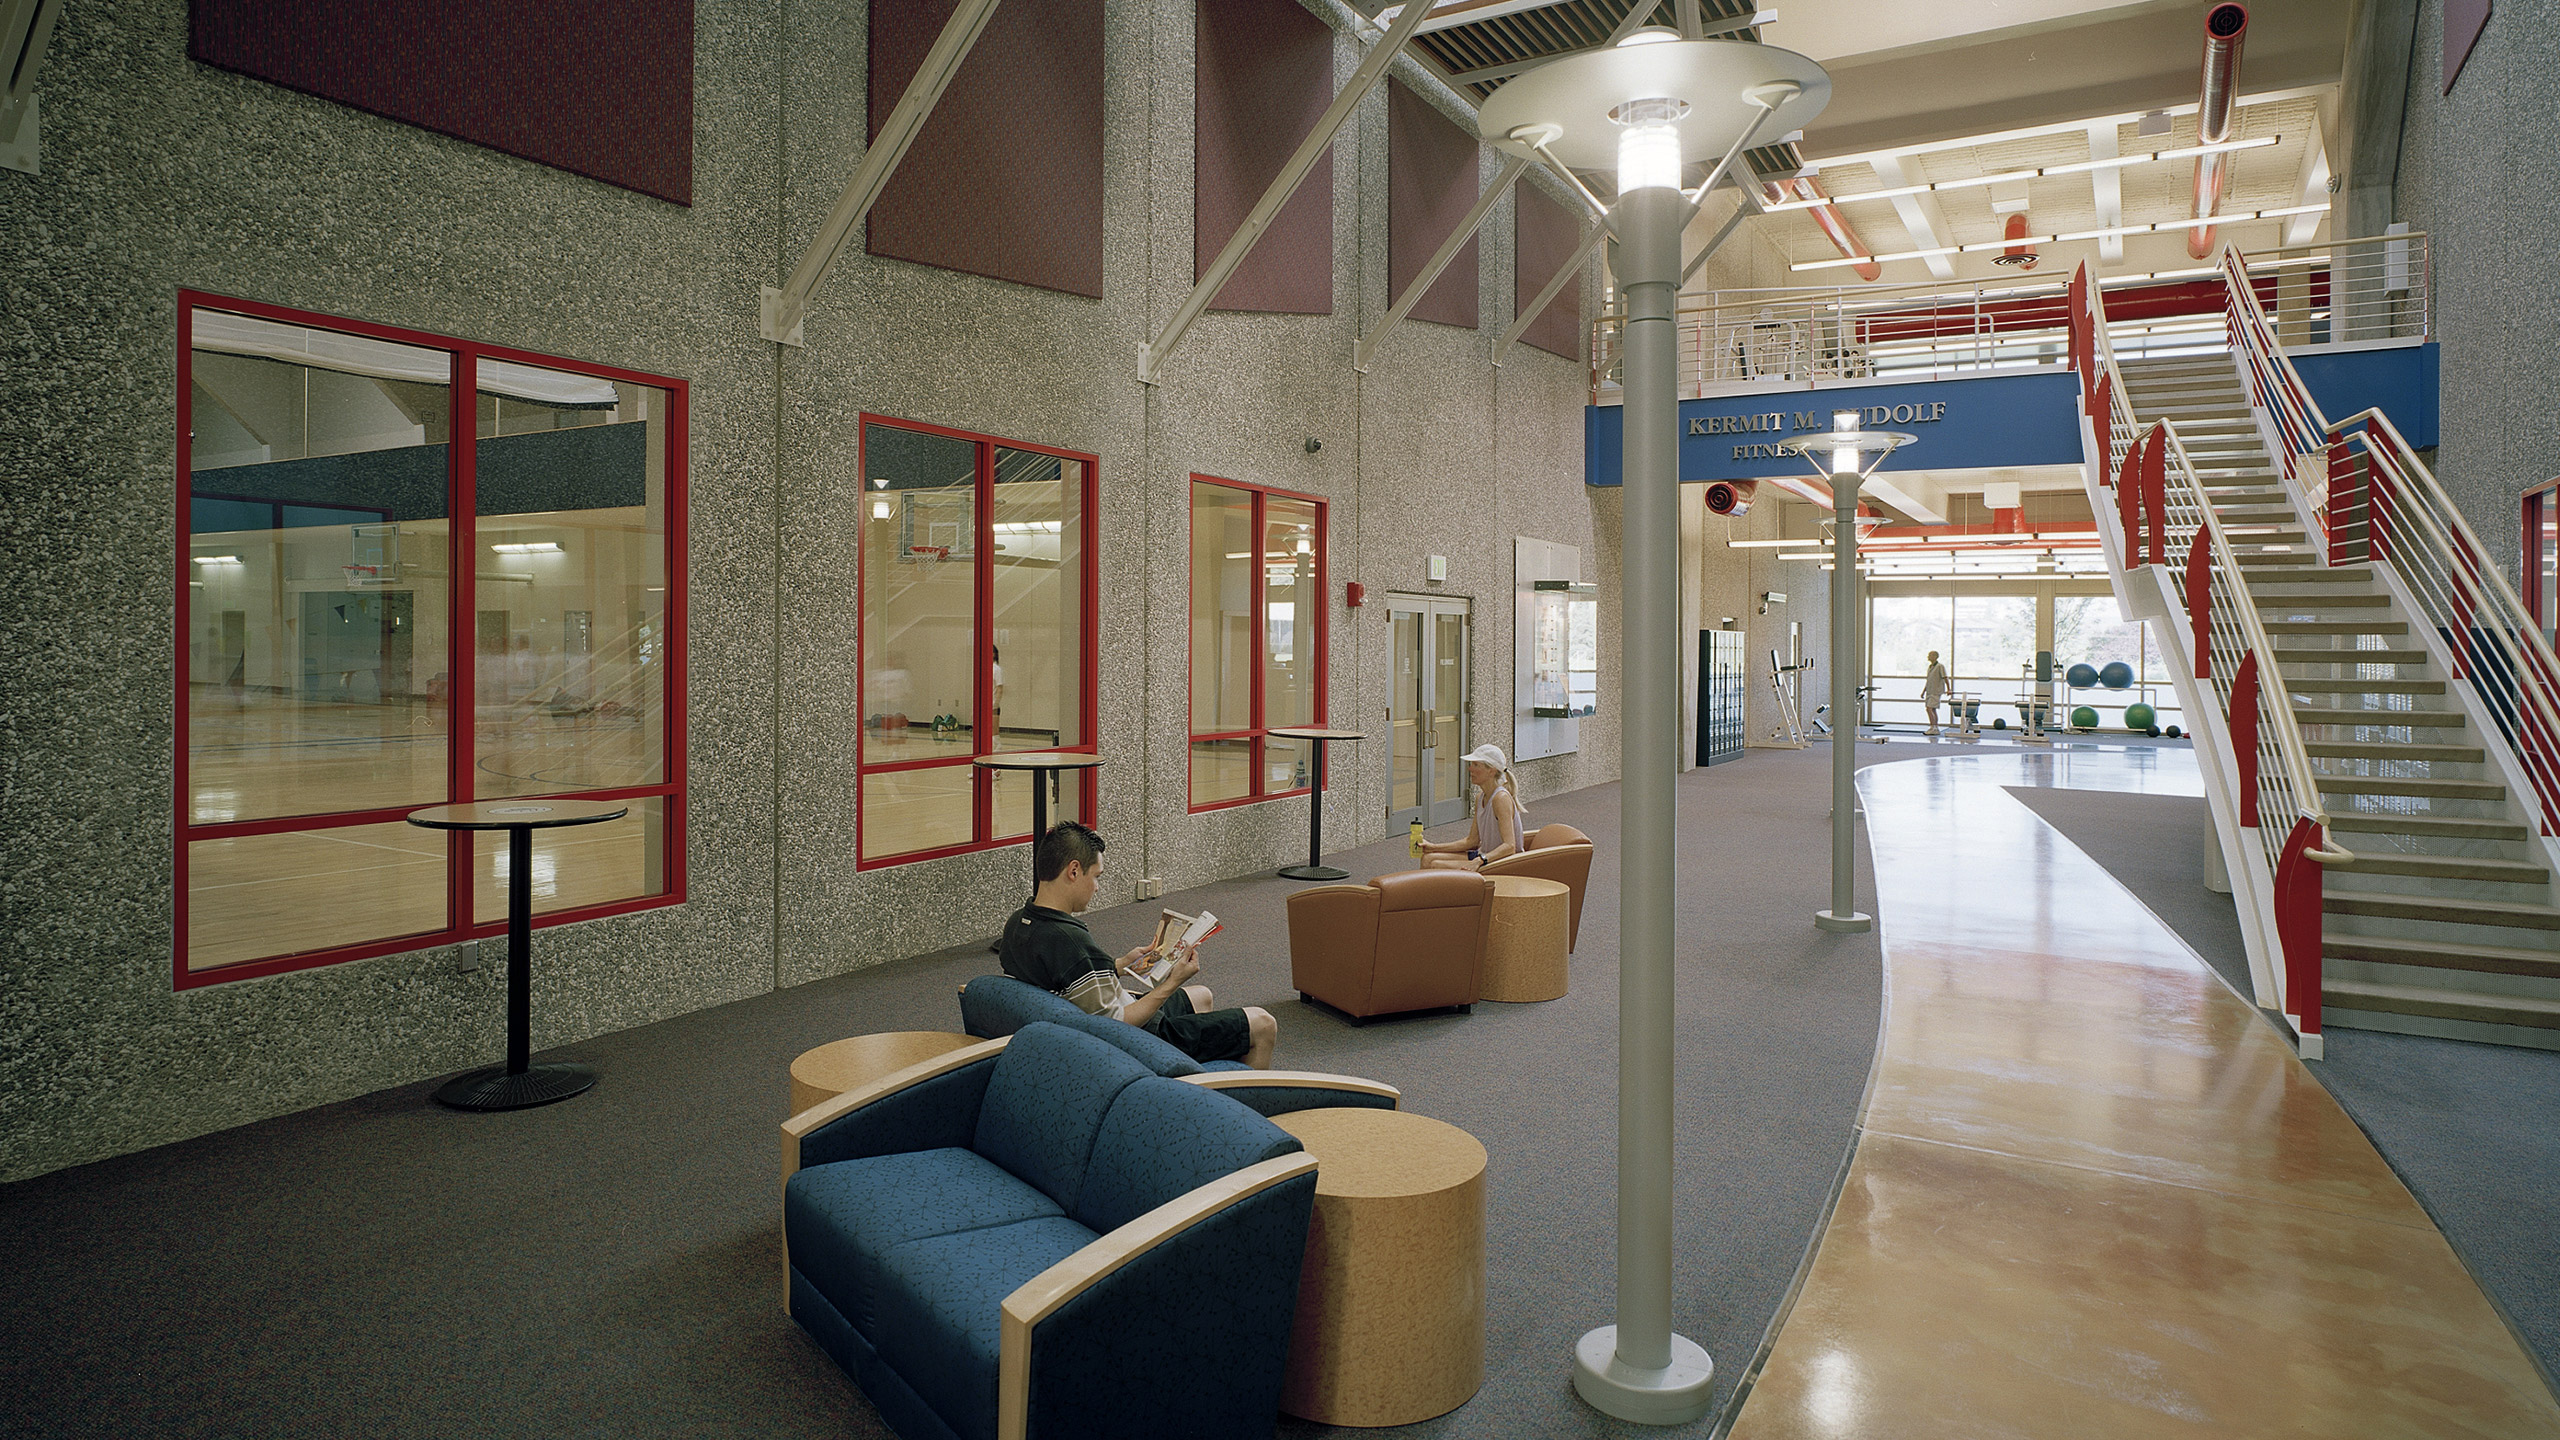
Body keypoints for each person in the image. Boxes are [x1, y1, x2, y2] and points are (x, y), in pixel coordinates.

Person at [998, 821, 1277, 1068]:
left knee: (1202, 995)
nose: (1097, 887)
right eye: (1096, 876)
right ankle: (1240, 1105)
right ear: (1073, 871)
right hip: (1135, 1041)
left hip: (1089, 1021)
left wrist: (1119, 965)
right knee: (1264, 1023)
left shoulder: (1018, 923)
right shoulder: (1071, 941)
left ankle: (1193, 1078)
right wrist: (1171, 983)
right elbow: (1115, 1024)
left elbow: (1065, 980)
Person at [1418, 743, 1526, 872]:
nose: (1470, 769)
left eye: (1476, 765)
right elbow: (1472, 841)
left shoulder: (1500, 799)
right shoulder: (1480, 796)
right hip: (1484, 855)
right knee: (1427, 858)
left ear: (1491, 771)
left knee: (1436, 864)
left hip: (1502, 862)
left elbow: (1509, 846)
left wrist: (1479, 860)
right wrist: (1433, 847)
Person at [1920, 650, 1950, 735]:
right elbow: (1928, 680)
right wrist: (1923, 692)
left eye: (1930, 655)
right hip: (1930, 691)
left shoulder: (1940, 666)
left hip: (1936, 691)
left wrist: (1949, 689)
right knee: (1932, 709)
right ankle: (1935, 727)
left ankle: (1933, 727)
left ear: (1935, 657)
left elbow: (1945, 678)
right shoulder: (1930, 667)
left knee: (1929, 709)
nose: (1928, 657)